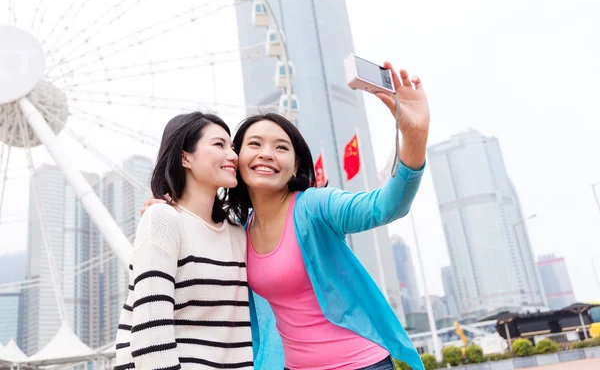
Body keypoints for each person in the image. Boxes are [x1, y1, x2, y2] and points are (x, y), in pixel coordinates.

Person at [143, 62, 429, 370]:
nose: (267, 153)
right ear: (237, 160)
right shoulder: (239, 232)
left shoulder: (315, 206)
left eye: (281, 147)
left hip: (361, 364)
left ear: (295, 166)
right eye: (254, 144)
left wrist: (414, 136)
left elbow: (385, 206)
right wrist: (167, 208)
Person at [114, 112, 254, 370]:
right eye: (219, 145)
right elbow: (151, 332)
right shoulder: (162, 219)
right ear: (185, 157)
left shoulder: (238, 234)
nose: (233, 156)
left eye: (232, 147)